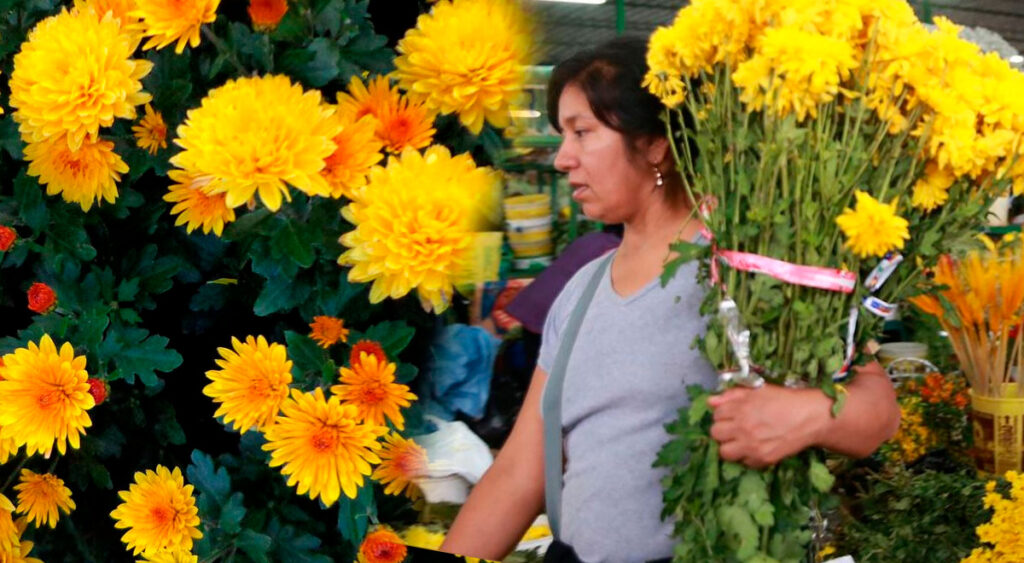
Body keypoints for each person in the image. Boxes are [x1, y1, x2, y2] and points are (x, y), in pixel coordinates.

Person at [440, 37, 901, 563]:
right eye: (562, 136)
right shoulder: (582, 289)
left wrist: (812, 415)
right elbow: (521, 470)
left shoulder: (755, 269)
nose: (563, 159)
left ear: (655, 143)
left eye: (582, 133)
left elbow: (879, 414)